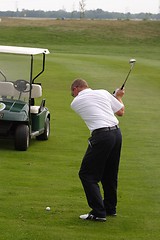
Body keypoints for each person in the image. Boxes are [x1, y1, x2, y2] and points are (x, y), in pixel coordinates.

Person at [70, 78, 125, 222]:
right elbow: (121, 111)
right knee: (110, 173)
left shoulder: (75, 102)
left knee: (87, 175)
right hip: (117, 134)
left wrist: (115, 96)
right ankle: (110, 208)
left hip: (101, 136)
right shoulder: (103, 92)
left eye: (73, 92)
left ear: (76, 88)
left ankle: (98, 212)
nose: (73, 95)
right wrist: (118, 96)